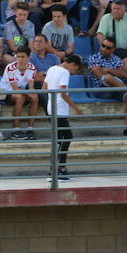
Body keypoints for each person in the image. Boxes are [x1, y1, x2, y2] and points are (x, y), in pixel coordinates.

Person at [43, 54, 84, 182]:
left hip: (51, 109)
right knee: (66, 138)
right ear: (73, 65)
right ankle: (59, 170)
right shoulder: (65, 72)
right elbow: (62, 93)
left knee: (59, 139)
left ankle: (53, 170)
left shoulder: (51, 69)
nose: (73, 72)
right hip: (59, 110)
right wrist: (76, 108)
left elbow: (43, 88)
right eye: (75, 70)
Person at [0, 45, 39, 140]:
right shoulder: (10, 68)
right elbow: (15, 89)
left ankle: (30, 129)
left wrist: (31, 93)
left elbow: (31, 87)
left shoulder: (32, 68)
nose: (20, 59)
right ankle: (15, 130)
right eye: (18, 56)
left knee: (35, 97)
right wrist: (28, 92)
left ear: (28, 58)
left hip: (20, 92)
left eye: (23, 57)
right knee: (20, 97)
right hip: (5, 93)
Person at [85, 36, 127, 102]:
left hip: (116, 89)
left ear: (113, 50)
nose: (104, 49)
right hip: (101, 90)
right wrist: (115, 73)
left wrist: (108, 70)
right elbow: (100, 75)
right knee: (108, 78)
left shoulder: (116, 59)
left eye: (108, 48)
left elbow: (124, 74)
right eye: (103, 46)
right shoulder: (93, 58)